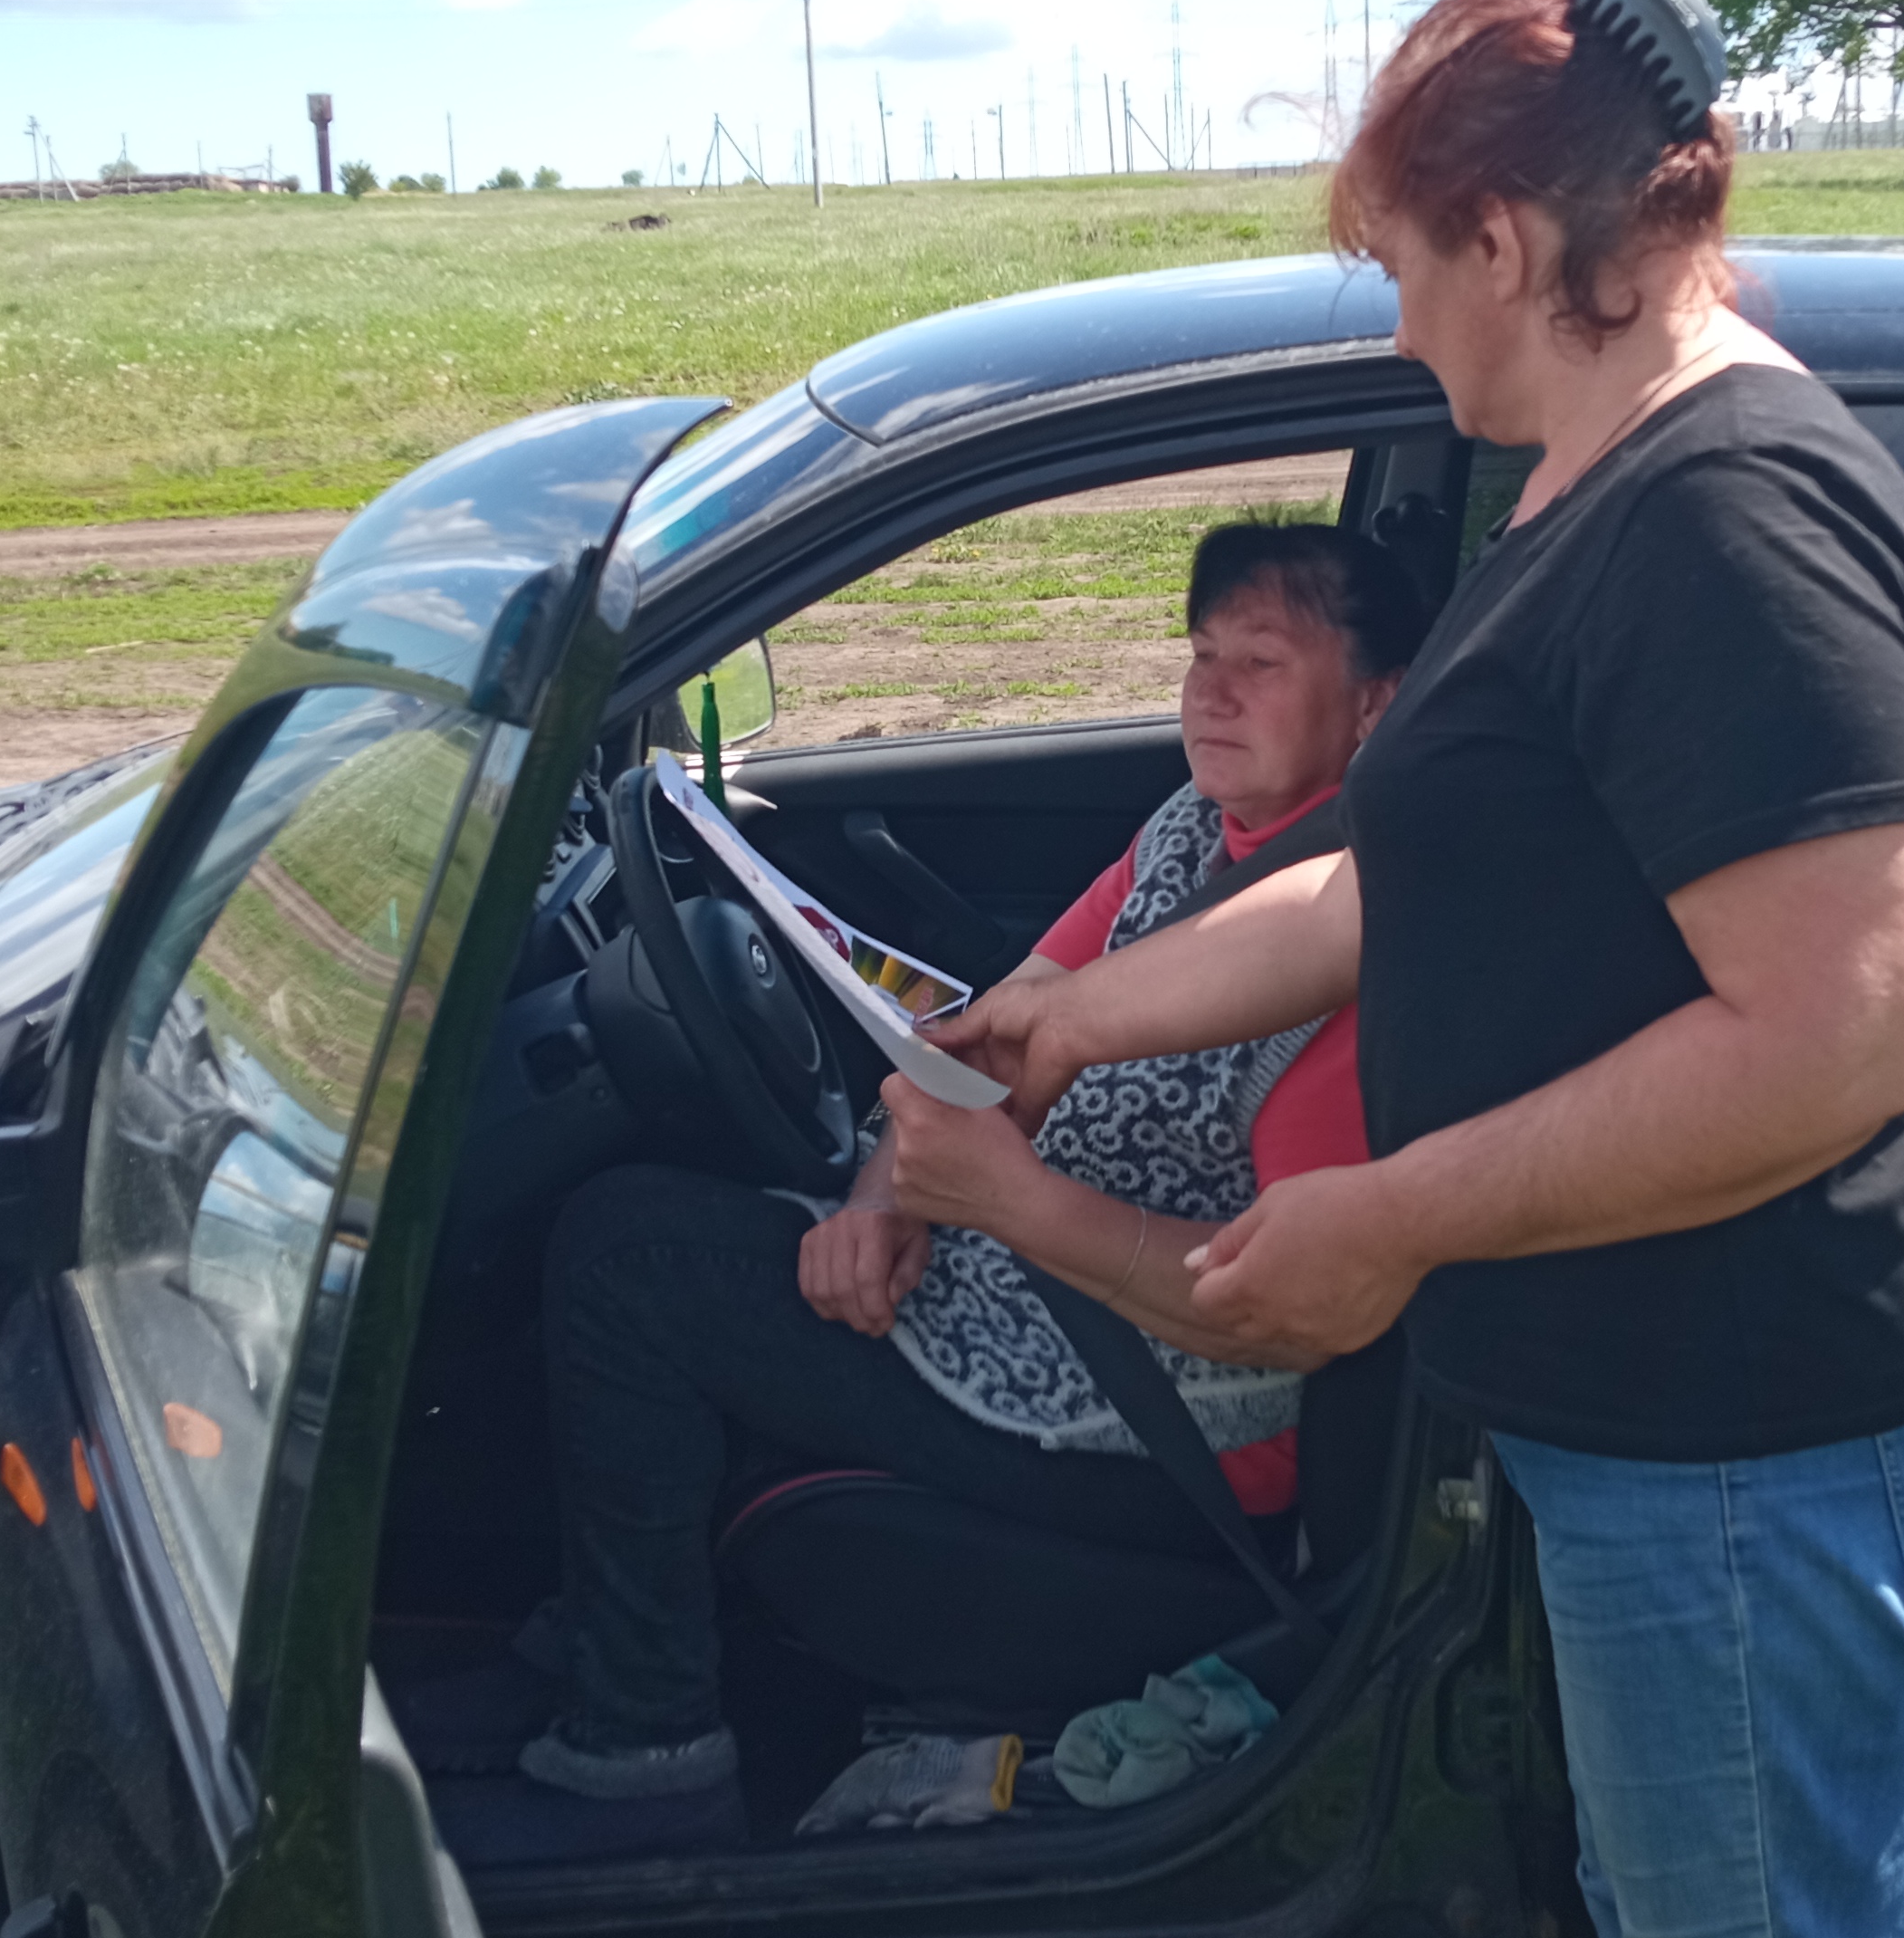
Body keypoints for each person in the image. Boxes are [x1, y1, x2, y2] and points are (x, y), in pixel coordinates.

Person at [933, 0, 1904, 1938]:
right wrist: (1075, 1016)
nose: (1394, 321)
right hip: (1675, 1420)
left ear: (1512, 244)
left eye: (1397, 262)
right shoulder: (1588, 485)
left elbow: (1843, 1026)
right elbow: (1394, 882)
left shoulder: (1724, 521)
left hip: (1770, 1423)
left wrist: (1398, 1213)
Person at [434, 520, 1429, 1861]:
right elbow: (989, 1043)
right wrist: (882, 1201)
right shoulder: (1192, 834)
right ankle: (593, 1650)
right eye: (1200, 655)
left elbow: (1283, 1316)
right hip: (1019, 1283)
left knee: (630, 1261)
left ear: (1375, 703)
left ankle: (645, 1750)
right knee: (660, 1219)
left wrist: (1006, 1203)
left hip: (1169, 1412)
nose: (1210, 692)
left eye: (1261, 662)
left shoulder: (1360, 956)